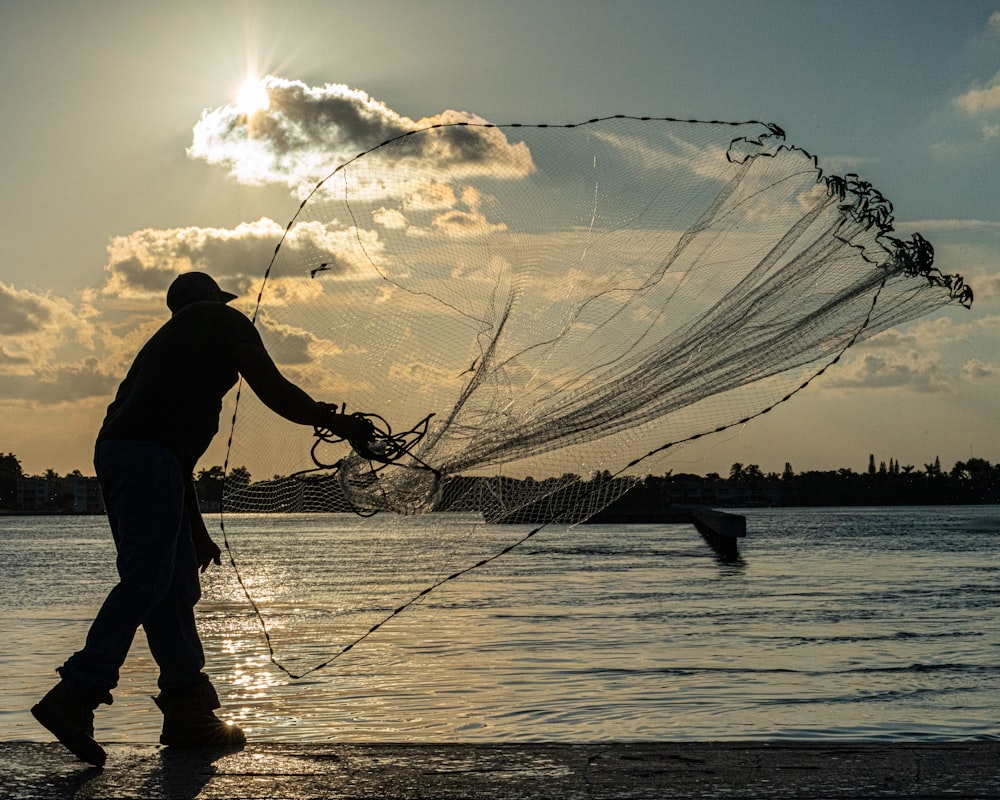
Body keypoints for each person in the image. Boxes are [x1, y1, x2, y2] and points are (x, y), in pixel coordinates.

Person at [31, 272, 373, 766]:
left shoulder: (167, 349)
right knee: (148, 579)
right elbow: (272, 388)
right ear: (211, 300)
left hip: (134, 459)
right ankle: (76, 695)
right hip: (146, 460)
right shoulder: (219, 319)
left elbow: (175, 459)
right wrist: (334, 420)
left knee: (170, 587)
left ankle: (187, 714)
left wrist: (196, 532)